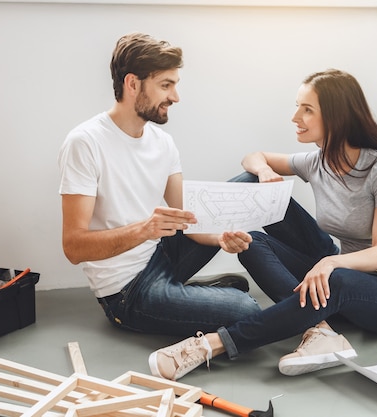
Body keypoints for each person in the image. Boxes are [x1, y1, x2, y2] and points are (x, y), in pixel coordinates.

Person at [148, 69, 377, 380]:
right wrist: (264, 173)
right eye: (298, 106)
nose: (296, 117)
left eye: (307, 110)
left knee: (336, 280)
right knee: (252, 239)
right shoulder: (319, 162)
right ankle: (320, 331)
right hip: (342, 284)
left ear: (337, 117)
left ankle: (212, 345)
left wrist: (330, 262)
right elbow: (253, 157)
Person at [58, 32, 262, 339]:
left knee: (248, 184)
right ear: (132, 84)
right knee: (246, 309)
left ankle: (183, 294)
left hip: (160, 254)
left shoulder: (163, 142)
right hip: (127, 289)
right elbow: (73, 247)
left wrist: (221, 237)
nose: (175, 96)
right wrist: (146, 229)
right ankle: (183, 296)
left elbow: (189, 216)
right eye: (166, 85)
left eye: (175, 85)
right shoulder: (85, 142)